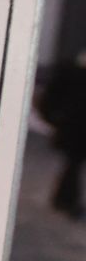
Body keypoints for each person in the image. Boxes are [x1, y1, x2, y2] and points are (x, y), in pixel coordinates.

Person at [40, 51, 86, 217]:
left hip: (73, 128)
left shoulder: (69, 71)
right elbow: (50, 98)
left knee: (73, 164)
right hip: (73, 129)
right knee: (73, 164)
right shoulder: (70, 72)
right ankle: (66, 201)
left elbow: (49, 99)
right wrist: (52, 118)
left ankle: (62, 199)